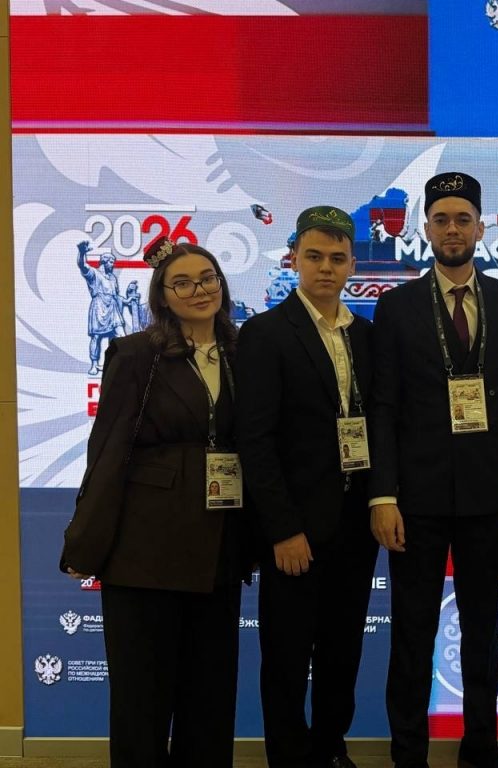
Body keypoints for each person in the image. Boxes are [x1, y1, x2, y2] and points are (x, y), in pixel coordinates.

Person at [60, 236, 249, 768]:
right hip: (146, 550)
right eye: (182, 283)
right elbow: (109, 450)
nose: (199, 290)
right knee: (142, 702)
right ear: (162, 296)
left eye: (207, 279)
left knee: (209, 700)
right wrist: (85, 539)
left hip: (218, 548)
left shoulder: (242, 351)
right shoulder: (136, 354)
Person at [370, 172, 498, 768]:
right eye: (442, 220)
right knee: (412, 632)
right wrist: (382, 495)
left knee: (484, 631)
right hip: (417, 499)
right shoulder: (397, 307)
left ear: (480, 228)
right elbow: (383, 406)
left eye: (463, 219)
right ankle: (407, 753)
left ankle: (480, 748)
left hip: (488, 499)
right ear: (426, 229)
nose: (453, 229)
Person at [236, 207, 378, 768]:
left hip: (354, 526)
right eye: (314, 256)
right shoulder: (266, 333)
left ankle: (330, 749)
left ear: (352, 264)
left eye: (337, 258)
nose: (325, 268)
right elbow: (255, 441)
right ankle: (289, 757)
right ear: (294, 258)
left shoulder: (366, 335)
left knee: (343, 650)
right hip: (294, 530)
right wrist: (282, 529)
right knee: (287, 657)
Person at [77, 240, 126, 375]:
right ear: (104, 262)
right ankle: (94, 364)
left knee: (121, 337)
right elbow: (82, 265)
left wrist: (127, 301)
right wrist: (82, 252)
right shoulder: (94, 274)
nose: (113, 265)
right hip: (99, 307)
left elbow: (116, 296)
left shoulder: (113, 278)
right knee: (96, 337)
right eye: (111, 262)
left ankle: (119, 364)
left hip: (113, 308)